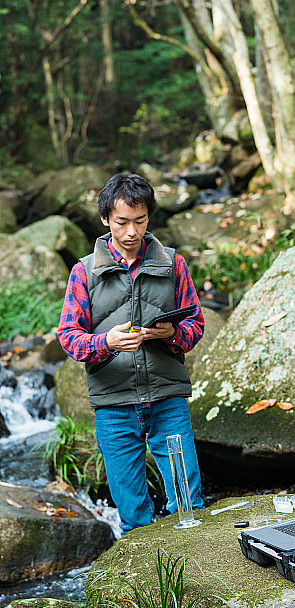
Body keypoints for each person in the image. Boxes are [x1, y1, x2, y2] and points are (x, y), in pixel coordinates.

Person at [57, 172, 204, 535]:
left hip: (168, 400)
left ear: (149, 217)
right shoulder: (83, 272)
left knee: (188, 506)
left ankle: (195, 583)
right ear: (106, 219)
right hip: (114, 406)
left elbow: (196, 326)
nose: (131, 232)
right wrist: (105, 342)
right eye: (122, 222)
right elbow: (69, 337)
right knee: (133, 515)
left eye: (140, 221)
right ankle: (140, 589)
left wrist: (172, 334)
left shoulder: (174, 264)